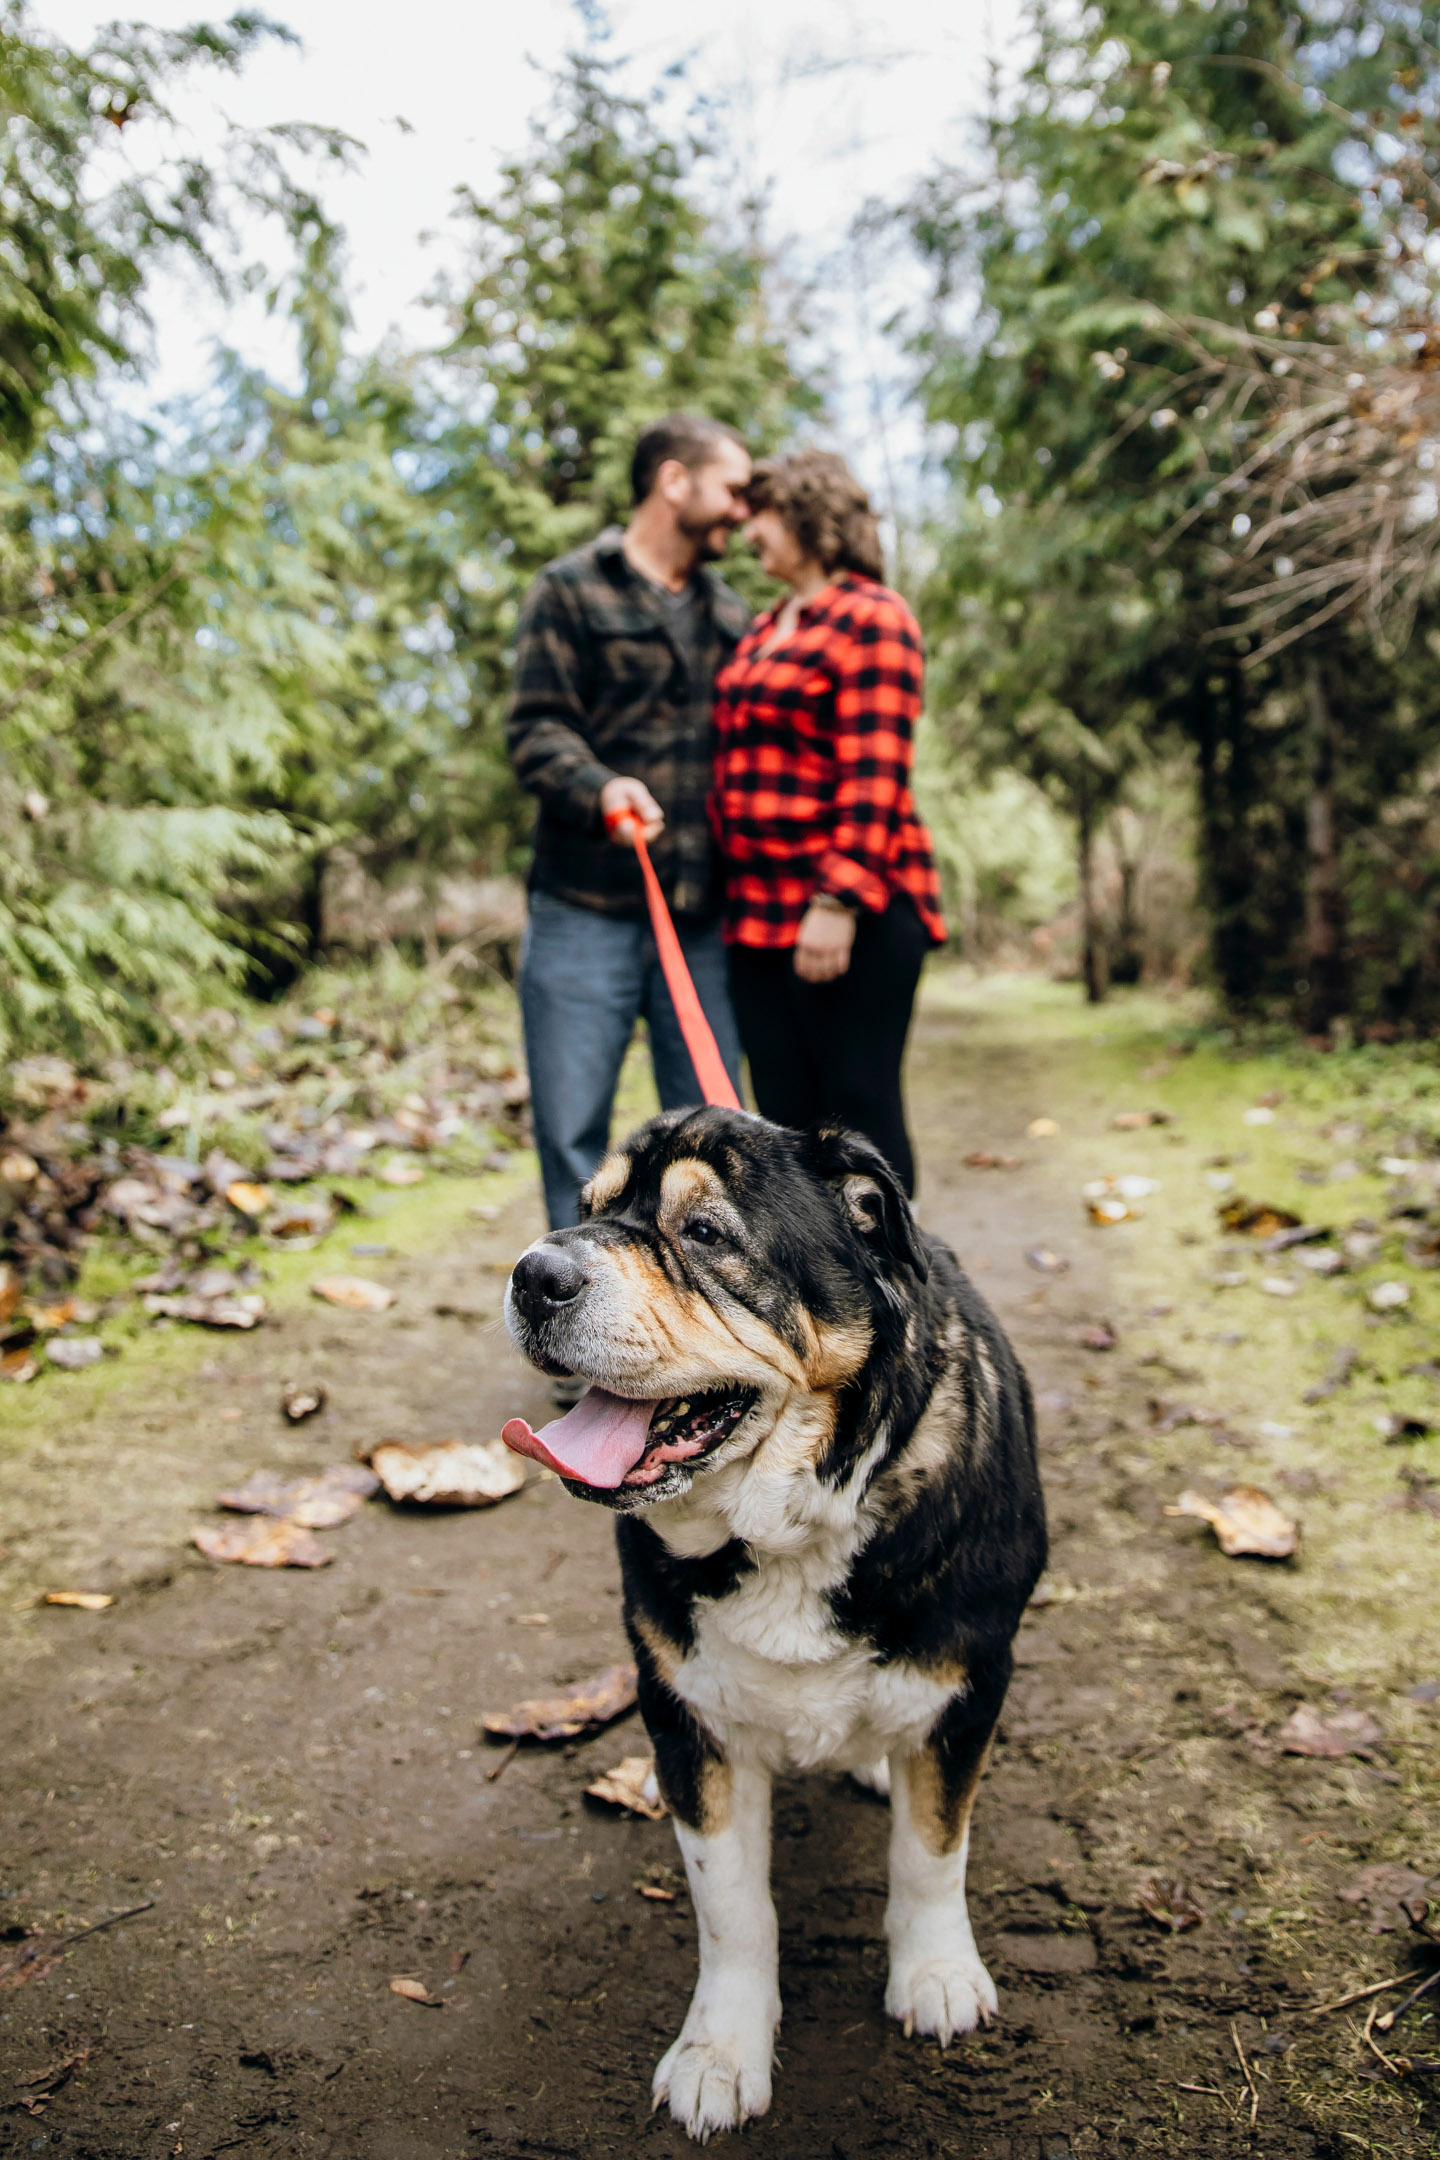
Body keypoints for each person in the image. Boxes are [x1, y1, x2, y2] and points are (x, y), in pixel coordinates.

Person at [507, 412, 753, 1235]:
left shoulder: (734, 618)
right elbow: (536, 730)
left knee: (722, 1140)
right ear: (673, 481)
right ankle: (584, 1333)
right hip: (584, 912)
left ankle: (710, 1338)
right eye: (732, 489)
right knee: (574, 1138)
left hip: (703, 927)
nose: (742, 512)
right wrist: (602, 786)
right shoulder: (569, 588)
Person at [711, 448, 946, 1197]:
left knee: (859, 1118)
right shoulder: (760, 629)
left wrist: (835, 900)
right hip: (756, 919)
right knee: (782, 1133)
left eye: (765, 513)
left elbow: (875, 772)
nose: (749, 530)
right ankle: (816, 1306)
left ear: (810, 513)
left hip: (853, 913)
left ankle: (898, 1304)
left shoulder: (872, 616)